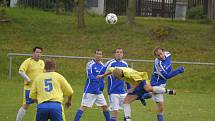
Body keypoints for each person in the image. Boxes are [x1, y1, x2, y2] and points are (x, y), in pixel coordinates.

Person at [97, 67, 178, 121]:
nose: (117, 79)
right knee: (126, 102)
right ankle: (128, 118)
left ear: (120, 75)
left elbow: (139, 81)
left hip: (142, 79)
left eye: (117, 78)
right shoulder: (116, 70)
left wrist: (132, 89)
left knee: (148, 88)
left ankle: (168, 91)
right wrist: (102, 75)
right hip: (137, 83)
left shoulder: (129, 74)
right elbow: (110, 70)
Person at [74, 49, 110, 121]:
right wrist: (97, 80)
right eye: (97, 54)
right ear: (94, 55)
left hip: (98, 91)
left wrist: (101, 87)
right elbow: (89, 75)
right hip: (90, 90)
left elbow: (103, 77)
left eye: (100, 54)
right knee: (83, 106)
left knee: (105, 107)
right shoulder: (90, 64)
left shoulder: (102, 65)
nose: (98, 55)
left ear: (102, 56)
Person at [150, 47, 185, 121]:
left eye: (161, 54)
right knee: (161, 108)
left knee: (149, 94)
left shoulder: (168, 54)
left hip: (162, 84)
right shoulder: (158, 64)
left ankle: (144, 95)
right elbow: (167, 76)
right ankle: (145, 94)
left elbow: (168, 61)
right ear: (156, 57)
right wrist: (178, 71)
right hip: (156, 84)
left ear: (163, 52)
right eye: (158, 55)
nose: (160, 56)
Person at [97, 48, 131, 121]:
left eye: (121, 52)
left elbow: (127, 76)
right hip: (113, 92)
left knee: (127, 113)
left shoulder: (125, 64)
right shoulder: (110, 63)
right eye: (117, 52)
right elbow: (101, 74)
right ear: (115, 54)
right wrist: (101, 87)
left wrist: (129, 87)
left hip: (123, 92)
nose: (119, 53)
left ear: (123, 54)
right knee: (115, 112)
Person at [16, 47, 45, 121]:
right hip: (29, 88)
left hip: (39, 88)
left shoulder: (42, 62)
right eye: (37, 52)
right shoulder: (28, 61)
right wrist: (27, 79)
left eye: (40, 52)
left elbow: (44, 73)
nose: (38, 54)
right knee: (26, 105)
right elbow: (21, 71)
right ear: (33, 53)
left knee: (40, 104)